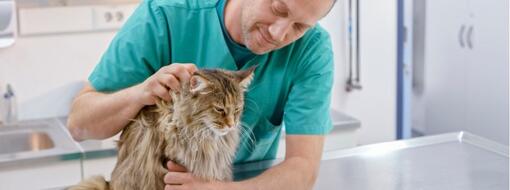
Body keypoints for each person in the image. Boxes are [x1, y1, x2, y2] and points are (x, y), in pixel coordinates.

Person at [68, 0, 336, 189]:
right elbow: (80, 126)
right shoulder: (164, 15)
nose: (279, 34)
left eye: (299, 26)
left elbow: (303, 167)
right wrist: (141, 93)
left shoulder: (312, 50)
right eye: (278, 7)